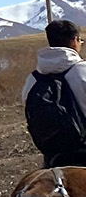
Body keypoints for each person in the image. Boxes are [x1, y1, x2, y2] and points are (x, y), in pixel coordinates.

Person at [21, 18, 86, 167]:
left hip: (52, 159)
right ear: (74, 41)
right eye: (80, 40)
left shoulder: (32, 80)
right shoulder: (83, 71)